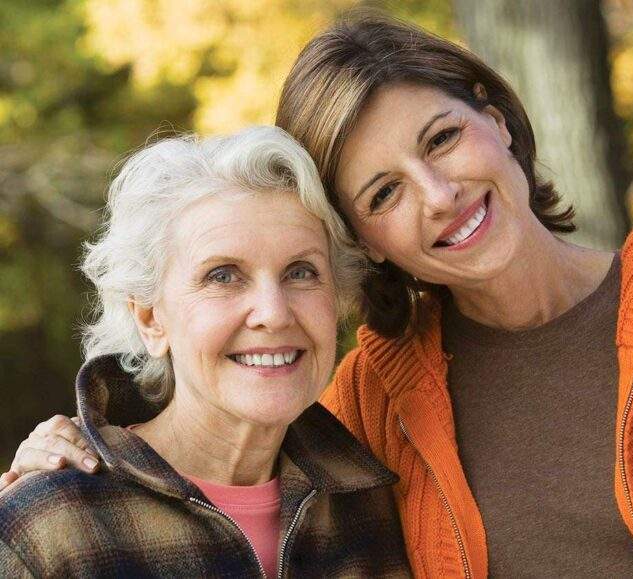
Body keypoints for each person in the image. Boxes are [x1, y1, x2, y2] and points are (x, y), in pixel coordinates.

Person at [4, 15, 633, 578]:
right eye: (385, 190)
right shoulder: (373, 407)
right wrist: (70, 449)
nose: (439, 194)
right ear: (365, 242)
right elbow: (209, 423)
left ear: (496, 121)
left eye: (441, 138)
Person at [0, 126, 411, 577]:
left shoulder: (370, 504)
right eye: (222, 276)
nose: (274, 314)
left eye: (300, 271)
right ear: (150, 319)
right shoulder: (50, 527)